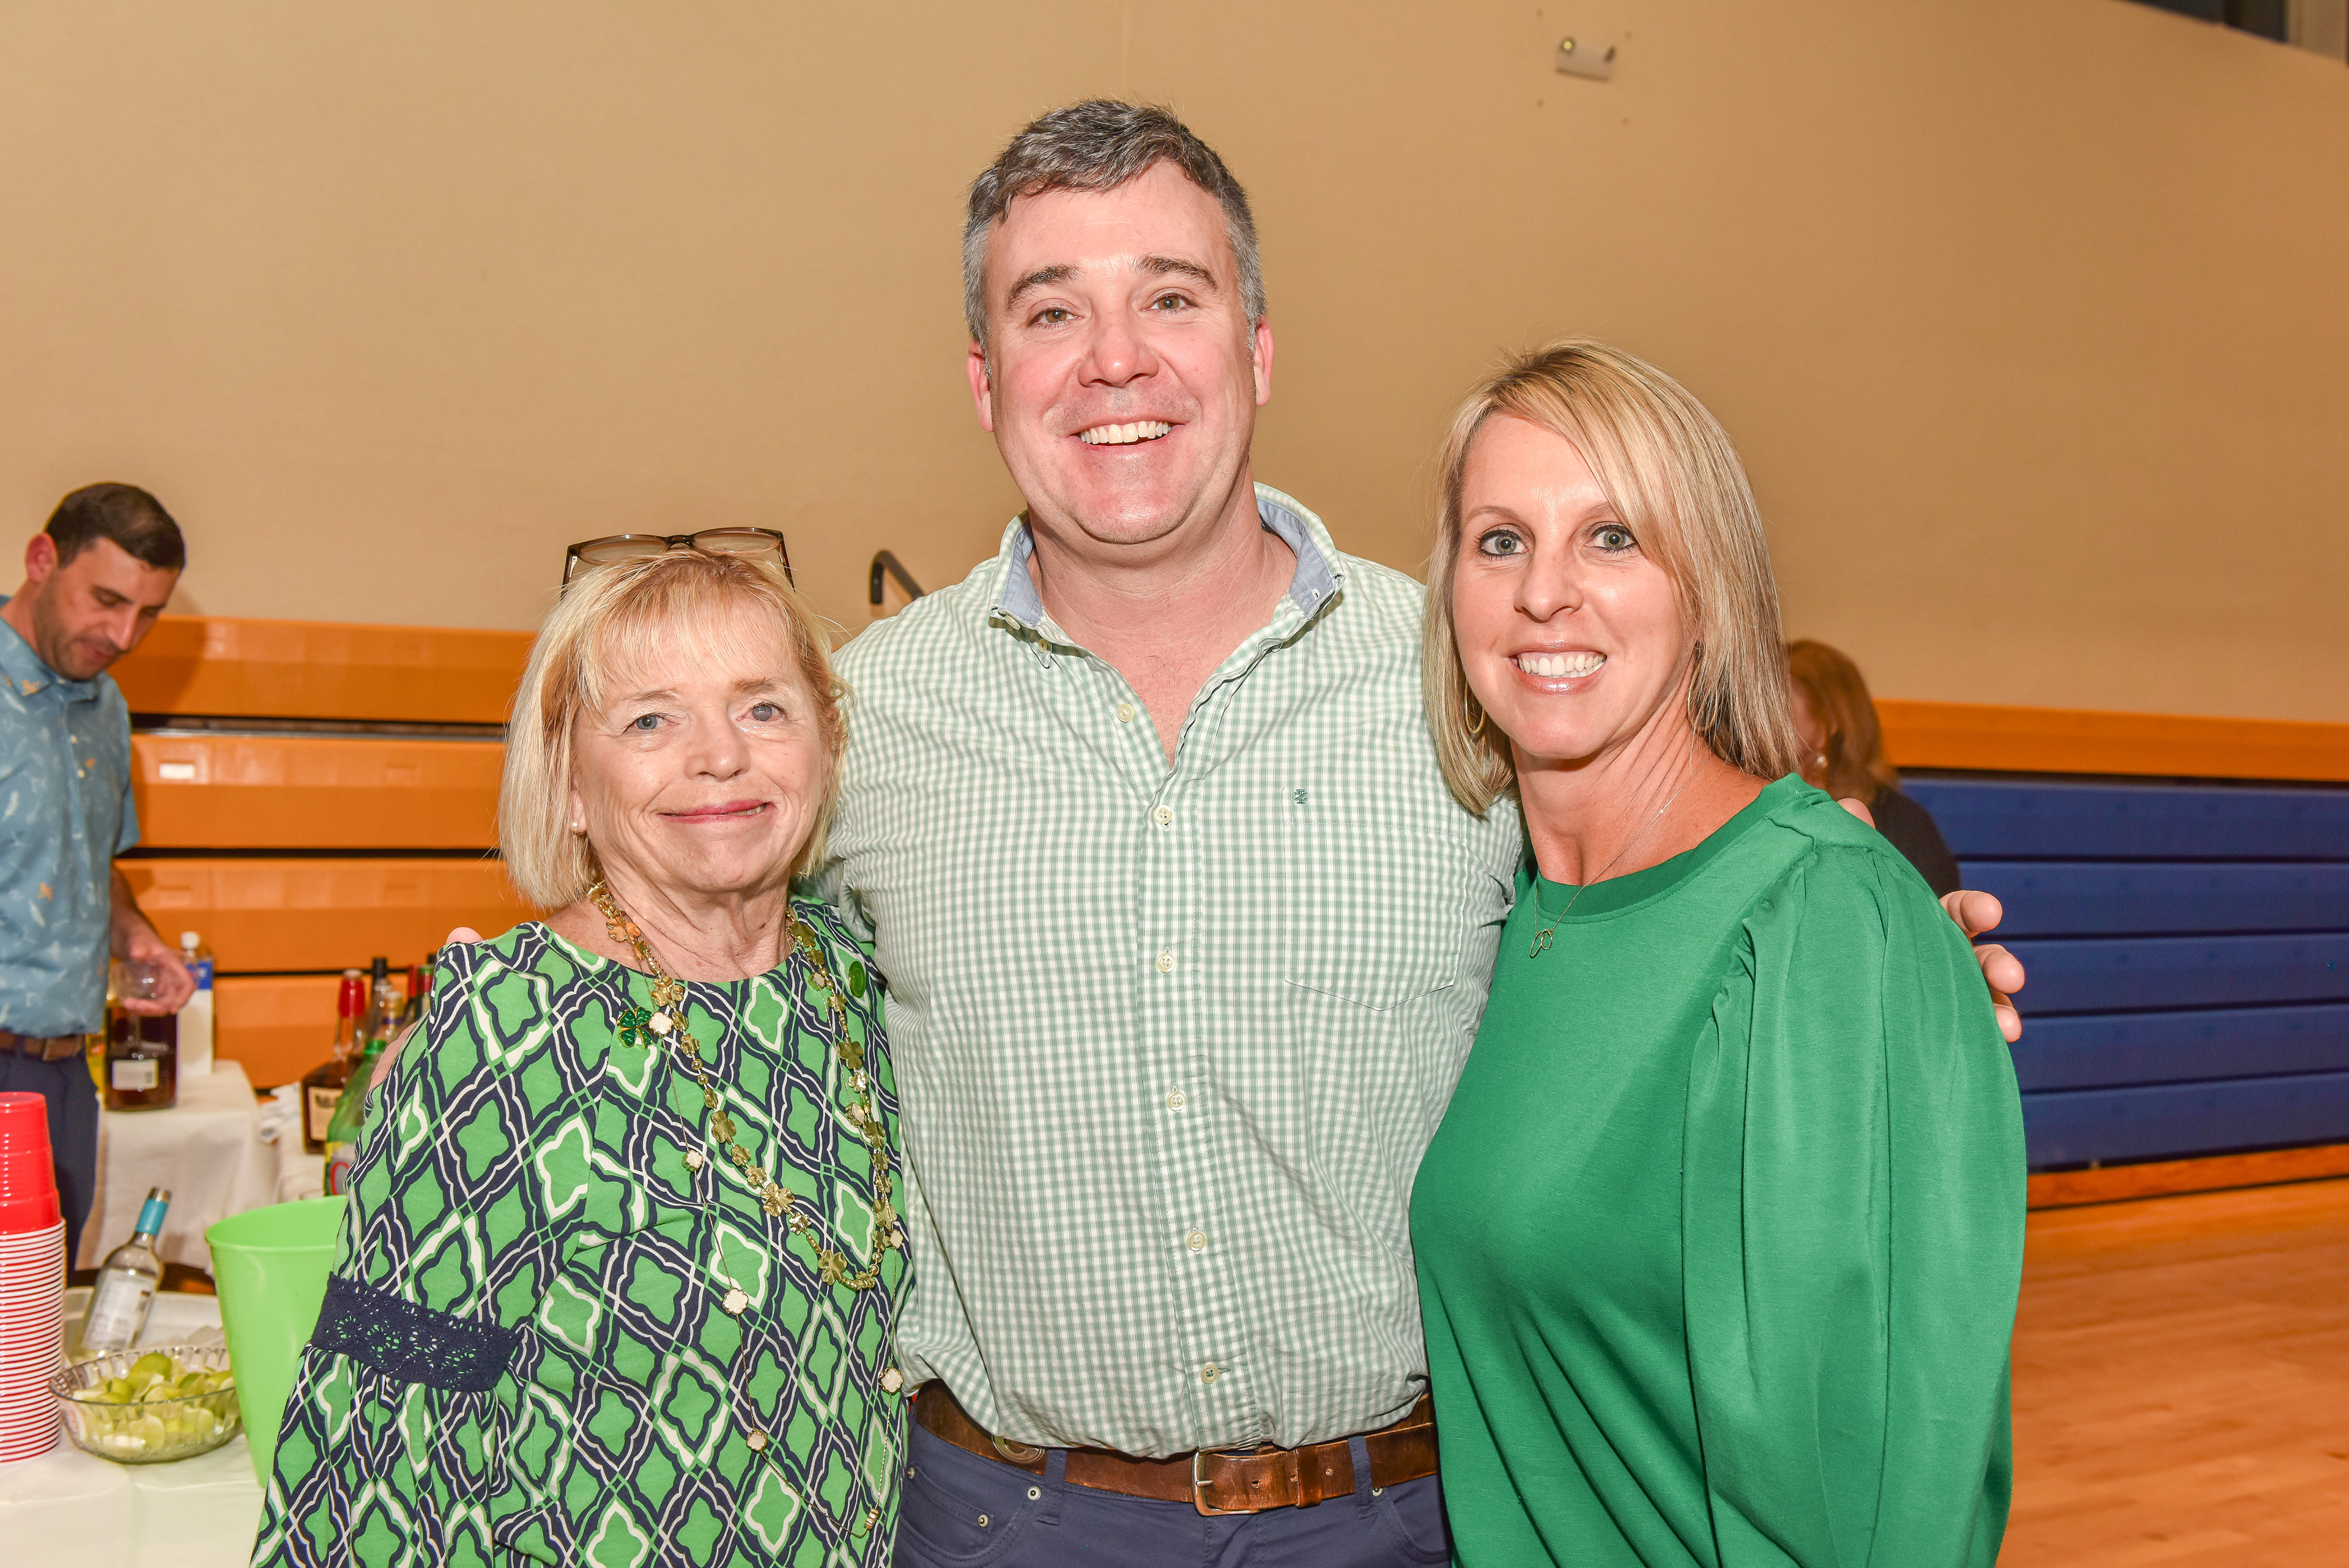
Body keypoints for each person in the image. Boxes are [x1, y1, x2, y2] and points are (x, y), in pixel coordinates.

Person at [822, 102, 2023, 1565]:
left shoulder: (1467, 679)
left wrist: (1881, 990)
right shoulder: (853, 725)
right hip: (1013, 1520)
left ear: (1257, 349)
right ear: (982, 376)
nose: (1115, 359)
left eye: (1171, 298)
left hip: (1406, 1516)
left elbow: (1679, 913)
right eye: (1051, 309)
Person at [1410, 341, 2025, 1566]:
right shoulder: (1506, 915)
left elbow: (1888, 1488)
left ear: (1709, 590)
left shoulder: (1820, 920)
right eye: (1500, 540)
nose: (1545, 593)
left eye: (1613, 537)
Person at [253, 546, 906, 1566]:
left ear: (826, 742)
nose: (720, 753)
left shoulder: (852, 978)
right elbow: (371, 1439)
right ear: (567, 785)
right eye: (650, 719)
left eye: (763, 707)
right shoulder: (505, 1029)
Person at [0, 482, 192, 1266]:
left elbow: (94, 862)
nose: (123, 634)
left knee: (41, 1311)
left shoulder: (106, 706)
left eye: (148, 614)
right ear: (41, 560)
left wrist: (134, 935)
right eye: (107, 601)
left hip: (65, 1076)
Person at [1787, 636, 1962, 895]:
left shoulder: (1903, 824)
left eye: (1780, 704)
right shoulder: (1755, 804)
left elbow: (1931, 914)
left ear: (1828, 721)